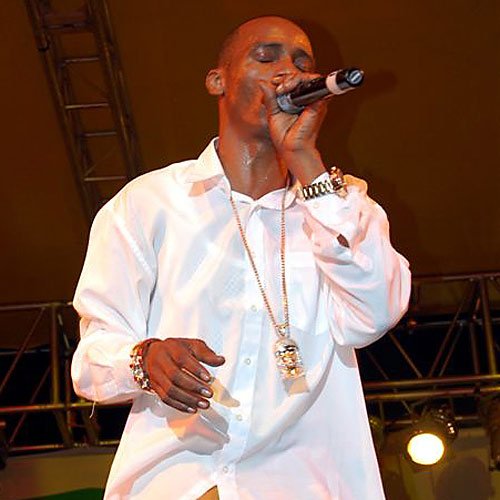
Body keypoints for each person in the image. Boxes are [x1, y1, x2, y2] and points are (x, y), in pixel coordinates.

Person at [71, 15, 411, 500]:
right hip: (177, 481)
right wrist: (144, 358)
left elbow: (372, 315)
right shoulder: (147, 204)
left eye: (302, 64)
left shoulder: (341, 206)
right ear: (218, 81)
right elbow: (90, 360)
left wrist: (305, 161)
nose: (286, 72)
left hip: (304, 485)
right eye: (265, 57)